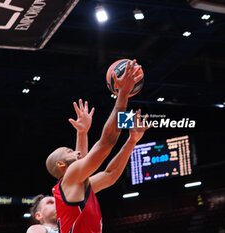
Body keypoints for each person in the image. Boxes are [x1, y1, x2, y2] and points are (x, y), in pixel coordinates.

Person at [46, 59, 149, 233]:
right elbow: (106, 143)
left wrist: (131, 141)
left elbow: (111, 174)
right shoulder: (70, 179)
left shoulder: (79, 184)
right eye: (70, 151)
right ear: (61, 165)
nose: (76, 152)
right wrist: (123, 94)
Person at [27, 98, 95, 233]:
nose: (56, 203)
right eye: (50, 203)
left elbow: (81, 171)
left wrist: (82, 133)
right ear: (38, 216)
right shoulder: (38, 228)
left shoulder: (69, 224)